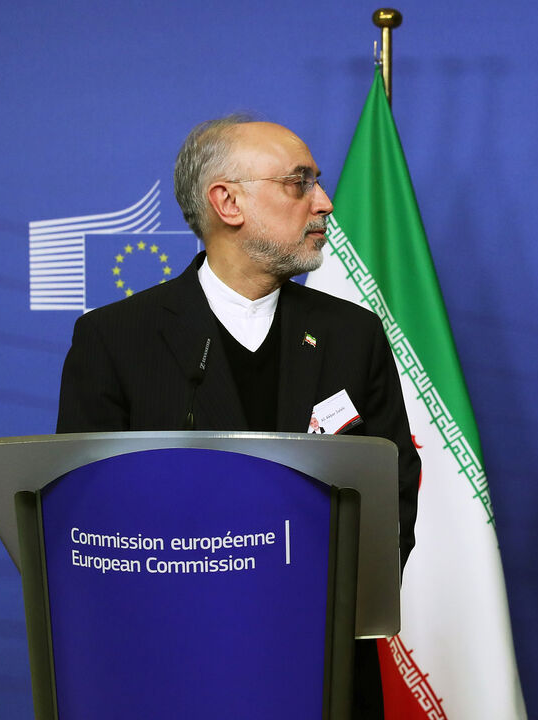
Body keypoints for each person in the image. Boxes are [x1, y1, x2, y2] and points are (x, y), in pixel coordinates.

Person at [56, 114, 420, 719]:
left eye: (317, 183)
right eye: (298, 183)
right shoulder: (116, 339)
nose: (324, 203)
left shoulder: (352, 335)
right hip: (170, 668)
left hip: (321, 662)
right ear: (227, 202)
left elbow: (393, 497)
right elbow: (91, 520)